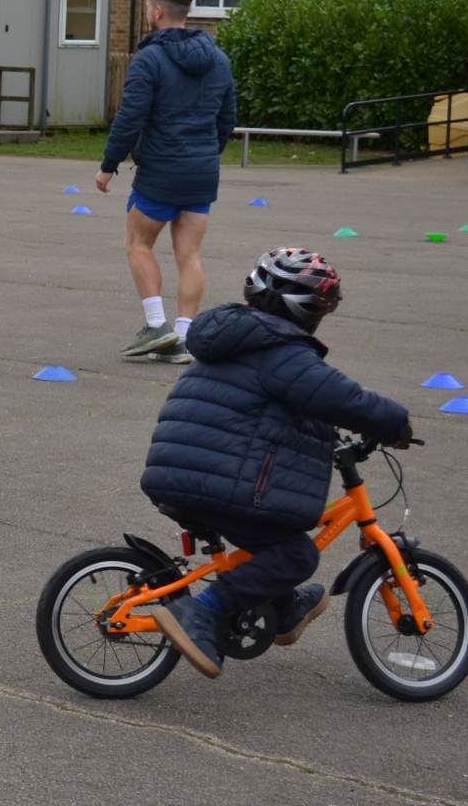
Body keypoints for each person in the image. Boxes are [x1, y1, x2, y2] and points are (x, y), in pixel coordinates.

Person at [142, 248, 413, 679]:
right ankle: (205, 611)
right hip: (217, 479)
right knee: (294, 554)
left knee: (273, 535)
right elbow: (340, 397)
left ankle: (282, 611)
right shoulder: (283, 352)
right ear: (310, 311)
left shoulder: (238, 334)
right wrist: (395, 423)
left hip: (181, 468)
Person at [96, 0, 238, 365]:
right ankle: (184, 339)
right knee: (189, 256)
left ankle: (157, 326)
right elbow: (228, 118)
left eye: (147, 7)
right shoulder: (219, 59)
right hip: (202, 170)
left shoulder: (150, 59)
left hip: (160, 170)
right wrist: (209, 153)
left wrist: (109, 165)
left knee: (137, 244)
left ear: (157, 11)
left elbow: (131, 115)